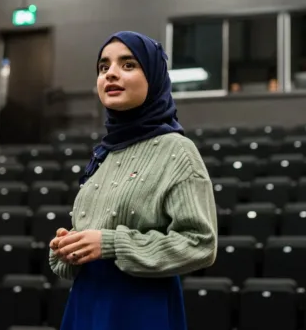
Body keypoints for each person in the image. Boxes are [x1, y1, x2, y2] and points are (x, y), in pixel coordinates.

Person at [48, 31, 218, 330]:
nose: (111, 73)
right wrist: (70, 246)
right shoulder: (104, 153)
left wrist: (111, 244)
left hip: (140, 307)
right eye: (104, 67)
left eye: (128, 65)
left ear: (153, 77)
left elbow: (200, 244)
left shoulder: (176, 150)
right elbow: (93, 240)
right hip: (87, 301)